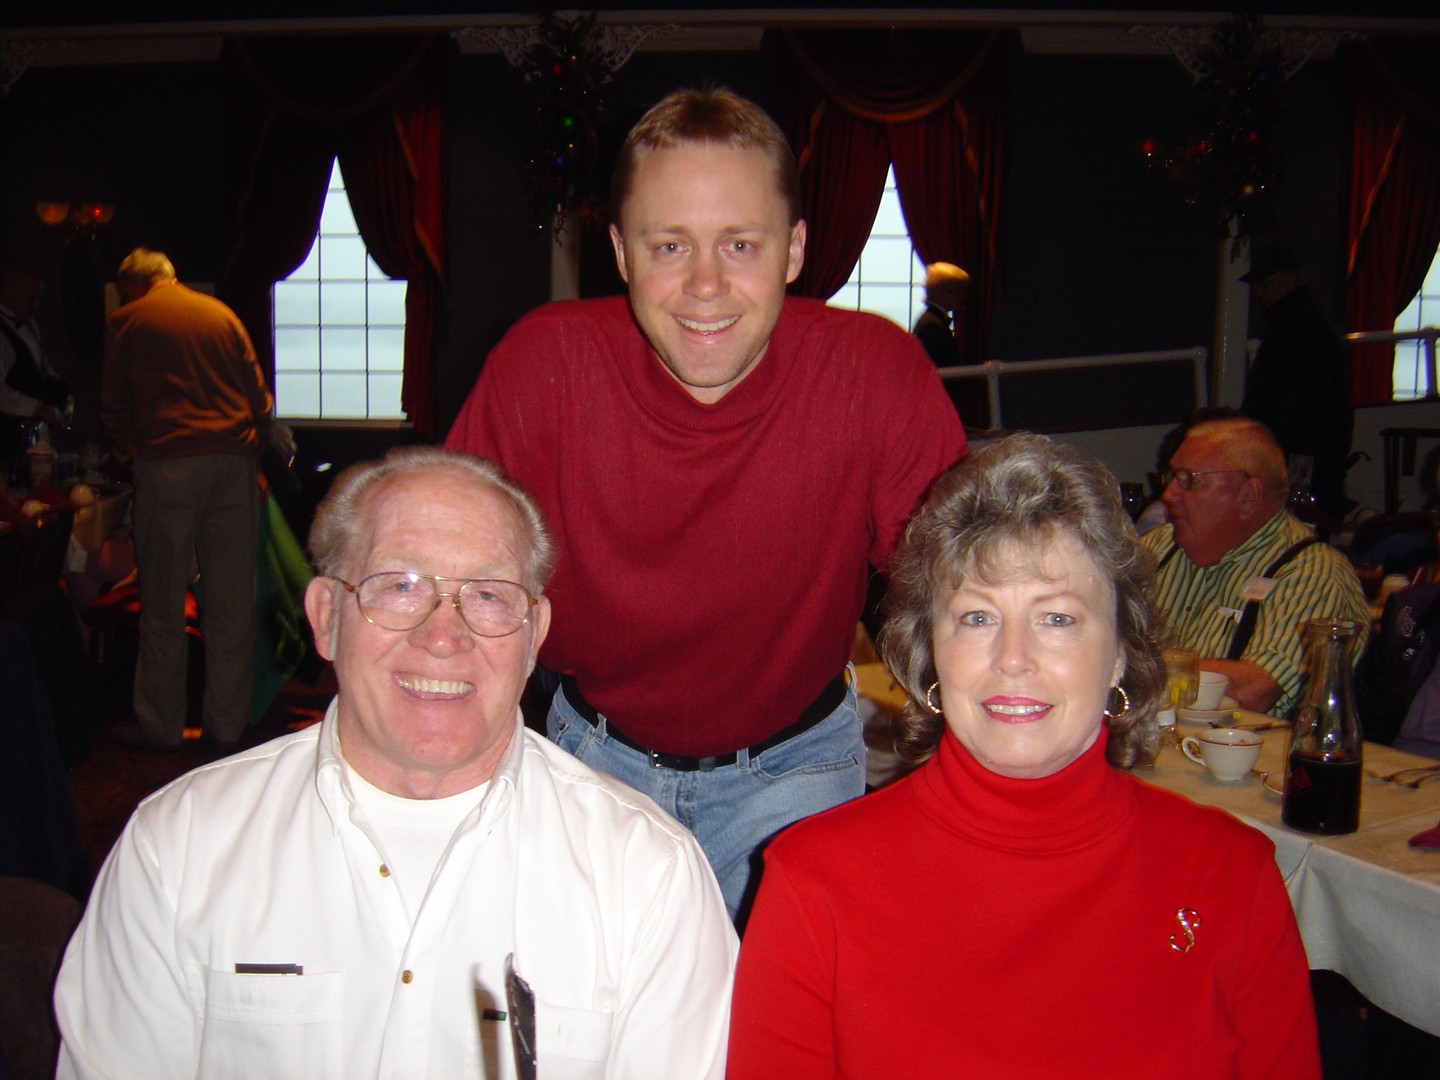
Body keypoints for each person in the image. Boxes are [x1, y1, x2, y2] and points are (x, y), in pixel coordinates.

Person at [445, 87, 967, 921]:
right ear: (620, 252)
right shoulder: (542, 368)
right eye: (670, 245)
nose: (706, 286)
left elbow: (967, 589)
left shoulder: (873, 373)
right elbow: (445, 575)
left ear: (795, 249)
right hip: (590, 765)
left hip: (798, 776)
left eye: (741, 244)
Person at [53, 446, 738, 1079]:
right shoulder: (180, 848)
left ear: (535, 636)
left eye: (489, 594)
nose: (443, 635)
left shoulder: (647, 876)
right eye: (400, 585)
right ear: (326, 616)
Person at [728, 433, 1320, 1078]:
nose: (1013, 659)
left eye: (1057, 618)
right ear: (932, 651)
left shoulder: (1232, 877)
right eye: (977, 618)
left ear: (1121, 653)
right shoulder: (814, 882)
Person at [101, 248, 273, 751]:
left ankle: (162, 727)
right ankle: (228, 725)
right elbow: (259, 400)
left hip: (169, 466)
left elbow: (114, 404)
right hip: (233, 465)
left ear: (132, 287)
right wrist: (252, 456)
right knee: (231, 605)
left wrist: (135, 448)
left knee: (162, 604)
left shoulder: (128, 321)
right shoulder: (222, 315)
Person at [1144, 416, 1369, 717]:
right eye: (1171, 477)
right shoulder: (1157, 548)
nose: (1168, 494)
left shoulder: (1312, 570)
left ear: (1248, 496)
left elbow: (1256, 689)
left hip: (1249, 745)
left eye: (1188, 479)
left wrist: (1133, 666)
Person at [1240, 243, 1356, 526]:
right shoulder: (1308, 323)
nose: (1258, 293)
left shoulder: (1294, 327)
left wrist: (1260, 438)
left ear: (1291, 280)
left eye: (1265, 284)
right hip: (1310, 444)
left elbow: (1286, 396)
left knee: (1298, 514)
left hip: (1297, 444)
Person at [0, 263, 70, 469]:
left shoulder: (30, 325)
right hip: (6, 436)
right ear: (8, 293)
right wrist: (36, 408)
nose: (35, 306)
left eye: (38, 298)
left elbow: (42, 368)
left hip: (31, 434)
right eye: (29, 299)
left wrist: (64, 400)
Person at [911, 261, 969, 371]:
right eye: (956, 291)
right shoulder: (931, 326)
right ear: (937, 291)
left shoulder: (931, 320)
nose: (961, 297)